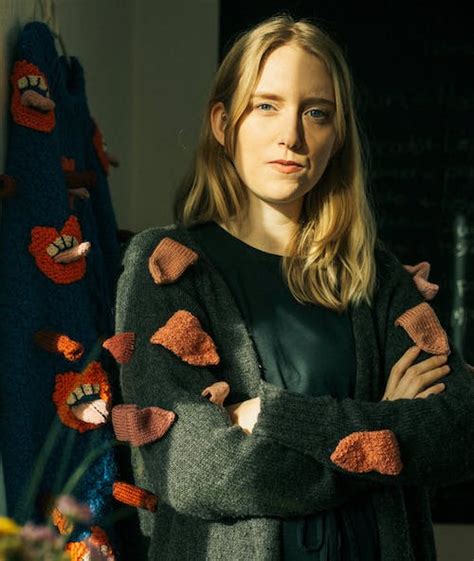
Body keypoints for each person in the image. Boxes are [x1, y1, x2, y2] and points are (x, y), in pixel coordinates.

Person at [115, 14, 474, 561]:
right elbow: (196, 471)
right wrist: (381, 429)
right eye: (267, 106)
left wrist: (276, 417)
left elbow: (459, 430)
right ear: (223, 123)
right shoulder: (168, 267)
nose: (292, 136)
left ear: (337, 135)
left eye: (316, 112)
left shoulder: (375, 276)